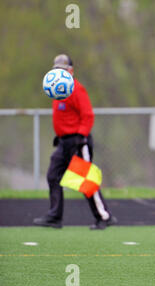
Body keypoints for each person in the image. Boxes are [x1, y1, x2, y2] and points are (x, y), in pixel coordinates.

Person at [33, 54, 117, 230]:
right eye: (57, 69)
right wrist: (61, 135)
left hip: (78, 142)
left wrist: (80, 136)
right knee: (52, 175)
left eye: (63, 69)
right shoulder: (56, 90)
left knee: (85, 180)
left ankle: (104, 216)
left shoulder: (76, 89)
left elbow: (87, 115)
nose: (60, 72)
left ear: (71, 71)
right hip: (64, 142)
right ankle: (55, 216)